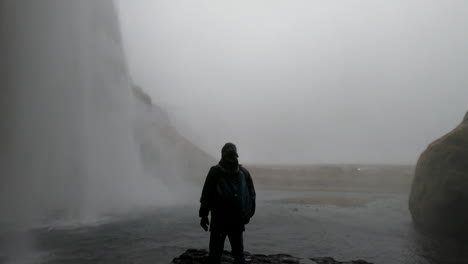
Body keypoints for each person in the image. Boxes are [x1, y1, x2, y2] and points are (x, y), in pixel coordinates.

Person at [199, 143, 256, 264]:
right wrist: (248, 215)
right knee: (238, 252)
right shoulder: (244, 172)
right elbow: (252, 195)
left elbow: (206, 195)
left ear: (222, 154)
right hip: (237, 220)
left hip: (219, 219)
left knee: (215, 253)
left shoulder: (215, 171)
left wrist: (203, 216)